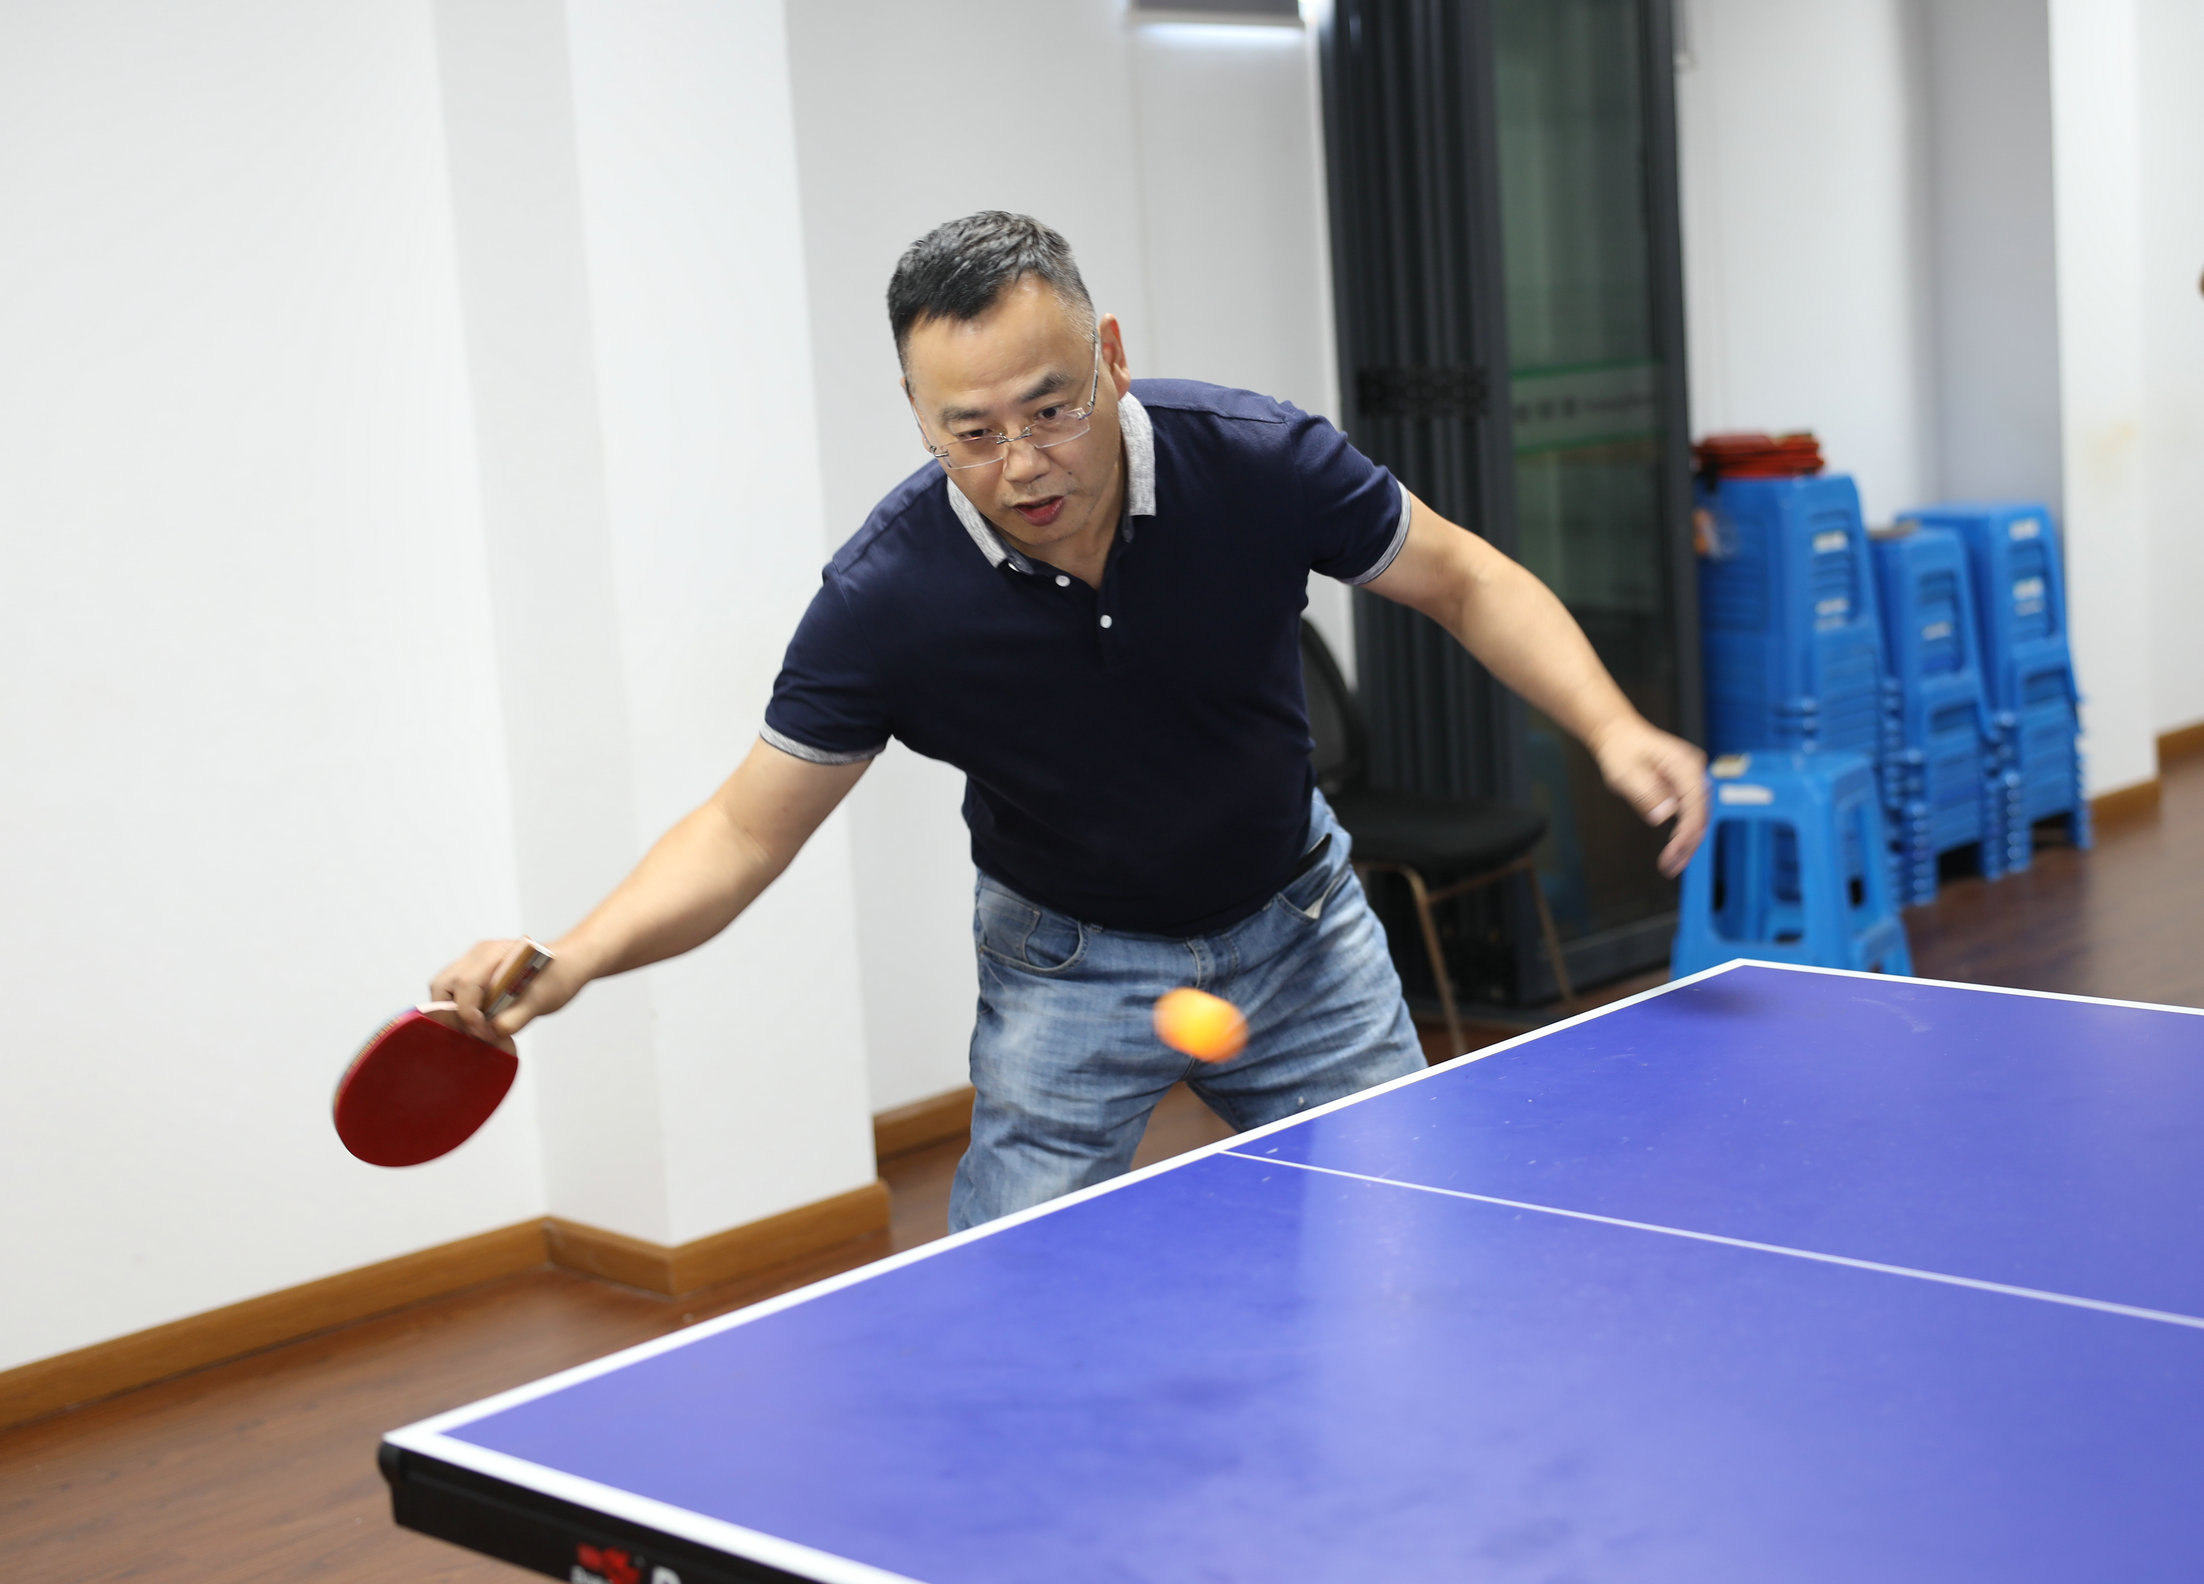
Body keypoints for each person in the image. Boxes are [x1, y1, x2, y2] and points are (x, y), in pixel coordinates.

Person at [432, 212, 1708, 1232]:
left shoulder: (1252, 459)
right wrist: (576, 955)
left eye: (1051, 409)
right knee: (1008, 1299)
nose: (1023, 464)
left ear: (1110, 353)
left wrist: (1610, 727)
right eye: (971, 433)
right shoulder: (885, 596)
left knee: (1414, 1240)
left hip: (1299, 926)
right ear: (916, 413)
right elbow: (743, 831)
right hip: (1068, 966)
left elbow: (1464, 579)